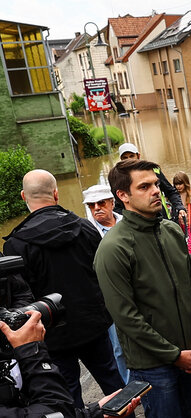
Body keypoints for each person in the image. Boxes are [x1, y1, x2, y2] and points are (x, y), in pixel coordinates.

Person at [95, 159, 191, 418]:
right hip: (153, 367)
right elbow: (126, 317)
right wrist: (173, 355)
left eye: (156, 184)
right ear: (122, 196)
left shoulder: (170, 231)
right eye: (144, 186)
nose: (156, 191)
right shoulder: (113, 247)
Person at [4, 170, 125, 410]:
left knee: (67, 395)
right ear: (56, 194)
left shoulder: (16, 244)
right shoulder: (85, 228)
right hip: (94, 325)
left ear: (23, 197)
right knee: (113, 383)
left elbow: (18, 297)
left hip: (51, 332)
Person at [0, 311, 141, 418]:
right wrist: (32, 351)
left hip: (90, 327)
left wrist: (96, 413)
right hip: (60, 342)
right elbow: (55, 413)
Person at [82, 184, 129, 385]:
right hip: (108, 299)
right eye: (92, 205)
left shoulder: (128, 222)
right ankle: (130, 388)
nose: (97, 208)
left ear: (112, 203)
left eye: (101, 203)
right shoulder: (84, 232)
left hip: (137, 290)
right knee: (118, 348)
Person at [115, 143, 185, 222]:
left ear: (138, 156)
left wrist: (180, 208)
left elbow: (170, 192)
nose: (129, 160)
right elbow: (117, 206)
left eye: (131, 156)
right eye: (125, 157)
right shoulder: (120, 178)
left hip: (162, 219)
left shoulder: (153, 170)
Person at [172, 172, 191, 254]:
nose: (178, 186)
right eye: (176, 184)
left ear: (185, 183)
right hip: (180, 225)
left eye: (180, 184)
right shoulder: (174, 197)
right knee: (182, 247)